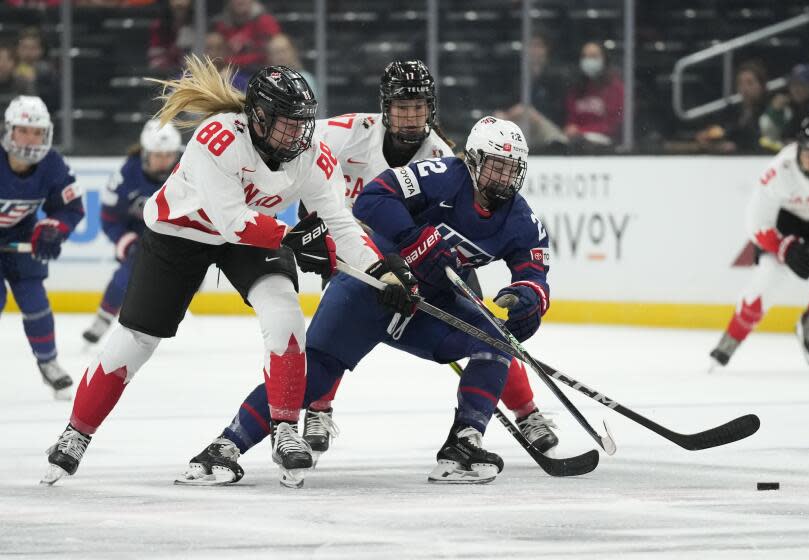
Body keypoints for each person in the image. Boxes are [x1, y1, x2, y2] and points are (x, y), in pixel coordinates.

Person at [41, 55, 414, 488]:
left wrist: (382, 271)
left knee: (285, 313)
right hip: (184, 233)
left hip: (259, 233)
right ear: (257, 118)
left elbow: (340, 222)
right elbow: (231, 222)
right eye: (286, 123)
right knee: (137, 338)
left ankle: (286, 428)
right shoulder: (215, 140)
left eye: (303, 123)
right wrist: (293, 237)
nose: (298, 134)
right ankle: (76, 433)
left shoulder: (312, 154)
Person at [179, 62, 559, 486]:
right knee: (315, 372)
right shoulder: (436, 173)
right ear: (473, 162)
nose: (502, 178)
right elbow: (373, 197)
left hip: (424, 304)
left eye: (511, 169)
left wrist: (528, 301)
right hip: (370, 280)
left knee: (494, 337)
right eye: (494, 167)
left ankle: (465, 442)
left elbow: (534, 271)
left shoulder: (519, 218)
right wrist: (412, 244)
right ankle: (224, 447)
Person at [710, 116, 809, 369]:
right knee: (769, 279)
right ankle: (732, 338)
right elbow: (756, 223)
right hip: (786, 225)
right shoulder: (780, 171)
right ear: (799, 149)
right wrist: (785, 247)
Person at [0, 95, 85, 399]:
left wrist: (53, 229)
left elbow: (71, 207)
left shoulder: (52, 164)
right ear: (9, 130)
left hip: (22, 237)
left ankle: (48, 362)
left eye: (37, 132)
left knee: (36, 303)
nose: (30, 138)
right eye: (24, 130)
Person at [82, 119, 182, 344]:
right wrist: (125, 241)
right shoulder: (125, 175)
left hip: (183, 233)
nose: (165, 161)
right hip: (142, 236)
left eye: (169, 155)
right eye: (158, 155)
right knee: (129, 272)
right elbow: (109, 219)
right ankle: (103, 319)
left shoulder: (189, 164)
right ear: (145, 153)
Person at [695, 61, 769, 154]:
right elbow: (720, 130)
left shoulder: (769, 110)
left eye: (750, 83)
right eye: (740, 83)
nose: (744, 88)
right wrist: (710, 139)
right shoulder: (731, 111)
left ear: (761, 86)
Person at [562, 41, 624, 152]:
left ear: (604, 59)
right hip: (576, 140)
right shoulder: (576, 88)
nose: (589, 60)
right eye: (585, 56)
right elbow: (571, 119)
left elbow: (613, 125)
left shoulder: (615, 88)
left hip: (605, 142)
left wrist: (581, 131)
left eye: (593, 56)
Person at [213, 0, 281, 70]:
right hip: (230, 72)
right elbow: (217, 55)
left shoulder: (266, 22)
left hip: (262, 72)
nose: (240, 1)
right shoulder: (222, 26)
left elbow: (274, 53)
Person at [266, 33, 318, 101]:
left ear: (293, 51)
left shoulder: (305, 79)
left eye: (283, 51)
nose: (280, 56)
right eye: (275, 52)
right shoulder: (264, 81)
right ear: (269, 57)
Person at [147, 0, 195, 70]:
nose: (179, 3)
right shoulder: (158, 26)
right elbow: (154, 62)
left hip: (192, 73)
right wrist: (174, 51)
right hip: (166, 74)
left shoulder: (200, 25)